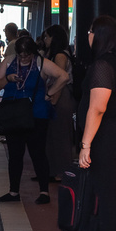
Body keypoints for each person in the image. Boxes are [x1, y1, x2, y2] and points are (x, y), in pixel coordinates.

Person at [75, 15, 116, 231]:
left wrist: (85, 144)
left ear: (99, 35)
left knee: (107, 194)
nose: (87, 35)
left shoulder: (103, 66)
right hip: (114, 133)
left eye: (90, 30)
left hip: (105, 136)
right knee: (108, 192)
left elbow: (97, 108)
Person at [0, 35, 69, 204]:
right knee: (15, 154)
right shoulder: (9, 61)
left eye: (27, 55)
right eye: (21, 55)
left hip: (37, 114)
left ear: (33, 53)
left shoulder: (41, 63)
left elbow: (64, 76)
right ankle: (14, 192)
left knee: (38, 153)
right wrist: (7, 79)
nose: (24, 58)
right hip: (14, 114)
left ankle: (44, 192)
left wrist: (49, 94)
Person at [42, 24, 76, 178]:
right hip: (60, 97)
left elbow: (60, 79)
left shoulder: (60, 56)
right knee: (55, 135)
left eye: (47, 36)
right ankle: (54, 170)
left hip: (60, 97)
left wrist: (52, 99)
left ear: (53, 38)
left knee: (60, 135)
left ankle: (61, 172)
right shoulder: (59, 54)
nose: (45, 40)